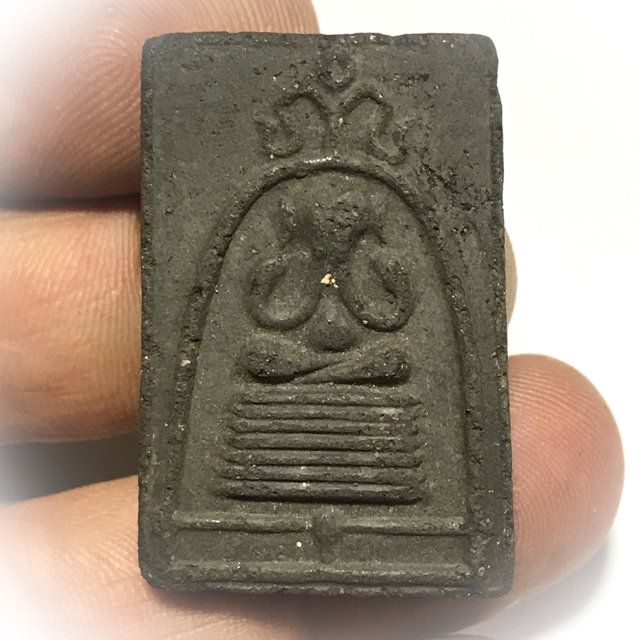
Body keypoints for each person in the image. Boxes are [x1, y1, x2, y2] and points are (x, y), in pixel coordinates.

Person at [0, 1, 624, 638]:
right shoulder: (286, 272)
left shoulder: (368, 272)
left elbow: (381, 314)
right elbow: (279, 312)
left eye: (347, 225)